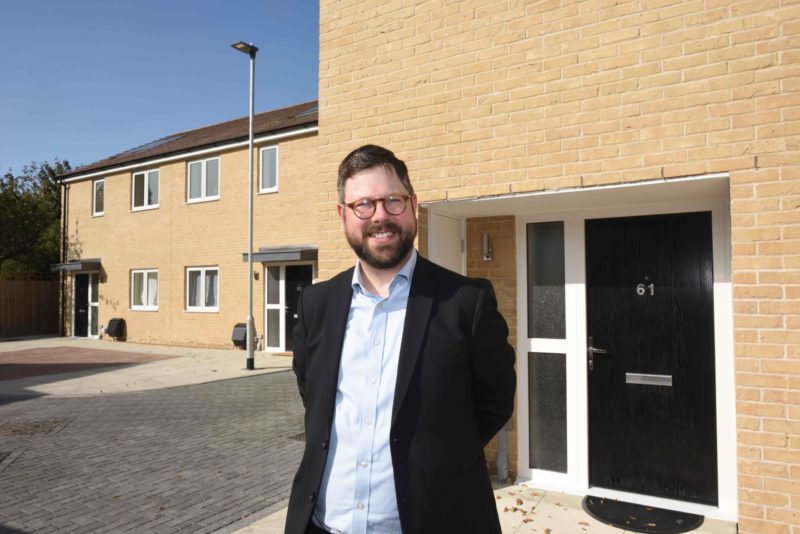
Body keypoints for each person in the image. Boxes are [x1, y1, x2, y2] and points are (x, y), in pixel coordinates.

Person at [285, 144, 516, 534]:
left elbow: (494, 402)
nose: (380, 216)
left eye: (393, 200)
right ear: (343, 215)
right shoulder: (316, 304)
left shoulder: (465, 302)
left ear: (412, 205)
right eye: (363, 205)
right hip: (322, 525)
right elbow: (314, 396)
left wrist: (435, 453)